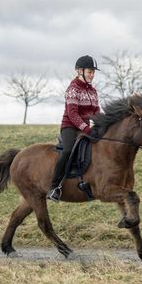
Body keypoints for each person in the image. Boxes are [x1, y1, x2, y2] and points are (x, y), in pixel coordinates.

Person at [47, 55, 100, 202]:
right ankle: (54, 187)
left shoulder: (93, 91)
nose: (92, 75)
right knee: (68, 150)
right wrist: (86, 128)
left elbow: (96, 112)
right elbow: (72, 113)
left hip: (85, 128)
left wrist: (101, 125)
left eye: (93, 72)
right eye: (90, 72)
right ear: (80, 71)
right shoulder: (73, 89)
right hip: (70, 126)